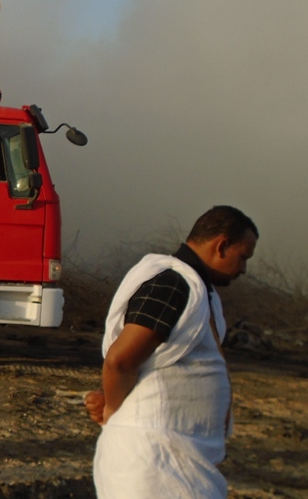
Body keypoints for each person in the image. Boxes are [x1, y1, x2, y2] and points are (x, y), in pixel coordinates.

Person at [84, 205, 258, 498]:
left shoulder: (199, 291)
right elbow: (120, 361)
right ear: (222, 245)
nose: (243, 269)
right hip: (152, 460)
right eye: (243, 257)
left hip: (176, 459)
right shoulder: (172, 283)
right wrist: (115, 412)